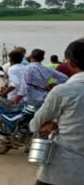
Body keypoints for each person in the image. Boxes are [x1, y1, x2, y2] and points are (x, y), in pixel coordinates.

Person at [30, 39, 84, 185]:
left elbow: (35, 125)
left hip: (64, 169)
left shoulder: (64, 91)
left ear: (71, 64)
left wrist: (52, 123)